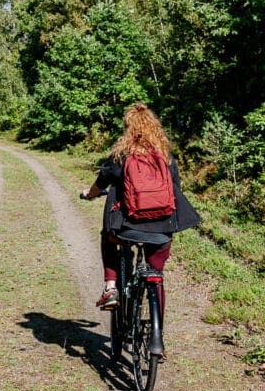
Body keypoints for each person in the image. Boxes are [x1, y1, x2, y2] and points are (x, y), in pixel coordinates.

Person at [80, 102, 200, 327]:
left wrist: (89, 194)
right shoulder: (166, 157)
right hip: (162, 229)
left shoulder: (122, 156)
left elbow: (101, 182)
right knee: (156, 276)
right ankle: (157, 340)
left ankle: (111, 287)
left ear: (128, 129)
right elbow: (175, 188)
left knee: (107, 237)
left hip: (127, 228)